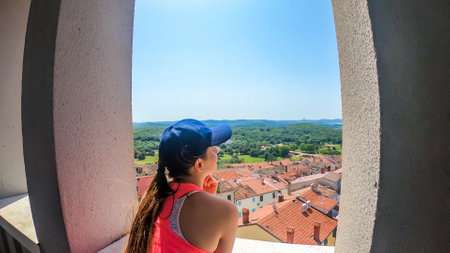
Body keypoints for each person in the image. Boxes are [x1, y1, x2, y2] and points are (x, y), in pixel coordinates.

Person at [126, 119, 238, 253]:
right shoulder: (226, 211)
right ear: (199, 164)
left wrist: (205, 195)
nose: (217, 151)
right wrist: (208, 199)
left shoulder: (153, 198)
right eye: (212, 149)